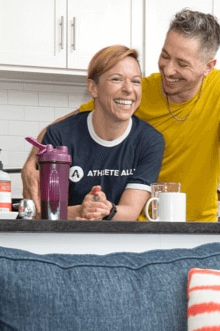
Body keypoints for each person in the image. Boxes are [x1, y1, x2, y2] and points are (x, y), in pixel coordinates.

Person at [23, 9, 220, 223]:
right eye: (165, 55)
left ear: (208, 66)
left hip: (197, 223)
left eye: (182, 63)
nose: (168, 69)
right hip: (143, 223)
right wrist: (31, 162)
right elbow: (67, 124)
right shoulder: (140, 91)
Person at [32, 45, 164, 221]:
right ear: (93, 88)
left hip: (119, 242)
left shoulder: (150, 141)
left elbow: (130, 211)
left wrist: (105, 209)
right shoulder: (60, 136)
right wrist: (81, 211)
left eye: (136, 81)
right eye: (116, 79)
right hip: (64, 240)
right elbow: (45, 212)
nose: (128, 89)